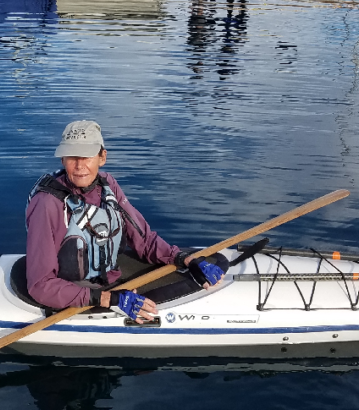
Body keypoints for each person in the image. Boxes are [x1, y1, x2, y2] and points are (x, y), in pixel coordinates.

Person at [25, 120, 224, 323]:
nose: (79, 166)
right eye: (71, 157)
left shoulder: (108, 185)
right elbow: (41, 285)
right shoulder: (48, 204)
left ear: (102, 157)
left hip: (108, 285)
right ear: (62, 160)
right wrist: (108, 299)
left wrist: (184, 259)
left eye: (87, 156)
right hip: (71, 294)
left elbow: (144, 241)